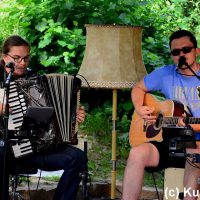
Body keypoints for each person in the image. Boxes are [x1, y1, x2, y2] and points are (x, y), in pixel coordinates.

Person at [0, 35, 87, 200]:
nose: (22, 63)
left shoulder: (35, 79)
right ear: (5, 57)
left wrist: (73, 117)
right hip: (6, 149)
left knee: (77, 157)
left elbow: (52, 113)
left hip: (31, 148)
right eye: (17, 58)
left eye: (26, 58)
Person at [122, 29, 200, 200]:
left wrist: (189, 126)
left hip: (196, 143)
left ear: (197, 50)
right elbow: (138, 88)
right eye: (176, 52)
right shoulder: (165, 73)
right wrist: (139, 108)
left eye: (186, 50)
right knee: (137, 153)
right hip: (169, 142)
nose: (181, 55)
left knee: (195, 151)